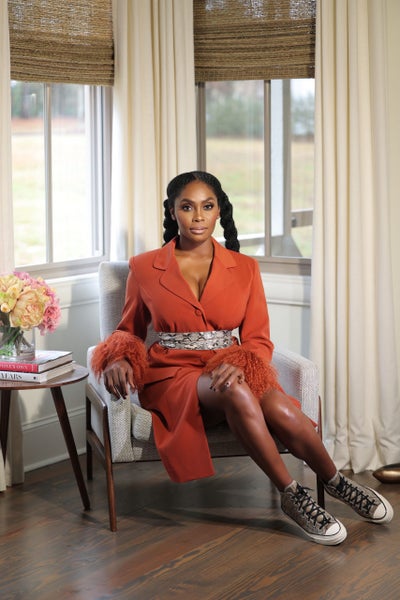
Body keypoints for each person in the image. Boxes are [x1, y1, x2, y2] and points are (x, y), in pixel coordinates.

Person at [91, 171, 393, 545]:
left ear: (219, 211)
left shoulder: (245, 267)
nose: (197, 216)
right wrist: (119, 357)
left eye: (207, 207)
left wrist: (241, 361)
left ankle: (336, 483)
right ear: (172, 212)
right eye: (187, 207)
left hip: (228, 365)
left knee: (278, 407)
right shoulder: (143, 266)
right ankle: (292, 494)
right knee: (234, 389)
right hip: (171, 374)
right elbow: (128, 329)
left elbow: (257, 338)